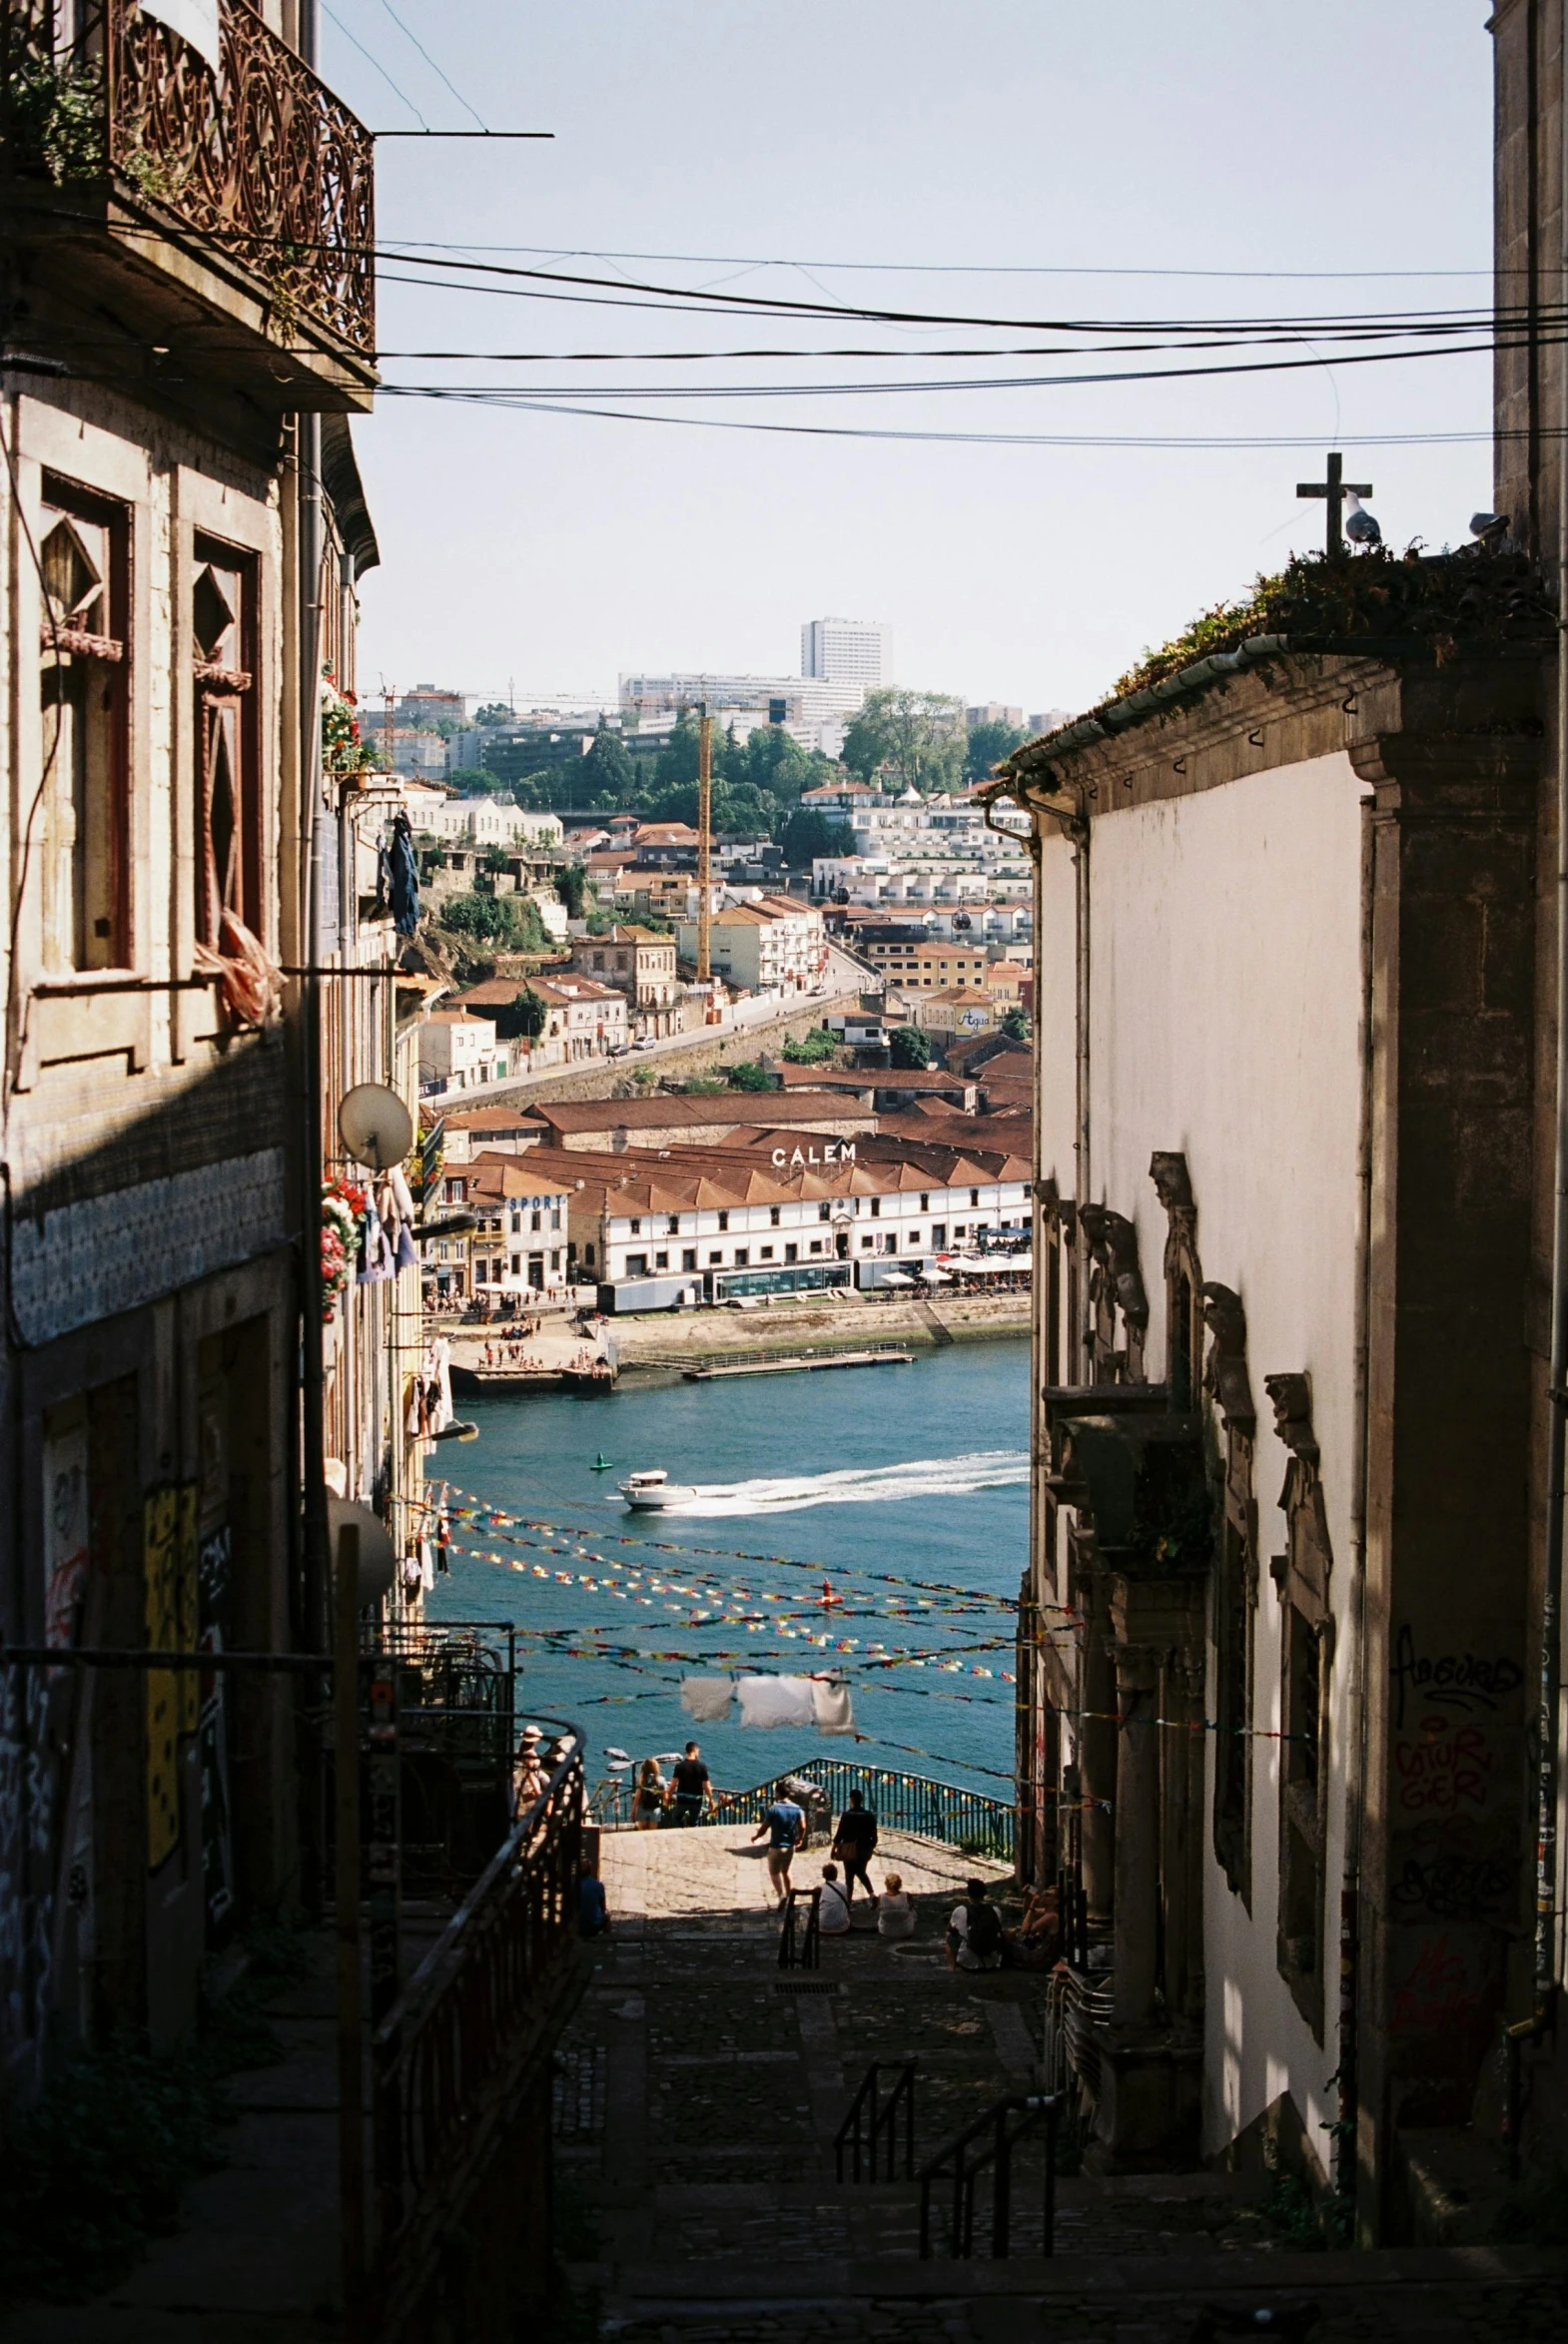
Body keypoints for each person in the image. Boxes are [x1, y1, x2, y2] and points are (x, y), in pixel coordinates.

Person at [752, 1782, 806, 1907]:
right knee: (786, 1871)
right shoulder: (797, 1809)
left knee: (774, 1872)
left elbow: (764, 1828)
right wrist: (800, 1839)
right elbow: (803, 1826)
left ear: (777, 1793)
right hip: (790, 1846)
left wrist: (756, 1836)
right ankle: (790, 1896)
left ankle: (781, 1895)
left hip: (776, 1846)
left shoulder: (773, 1809)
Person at [831, 1788, 879, 1909]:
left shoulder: (846, 1815)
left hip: (849, 1849)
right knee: (861, 1872)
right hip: (864, 1849)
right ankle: (872, 1895)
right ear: (861, 1800)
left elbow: (839, 1835)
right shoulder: (869, 1816)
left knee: (849, 1876)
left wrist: (834, 1849)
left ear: (851, 1800)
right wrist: (870, 1848)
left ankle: (848, 1903)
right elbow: (874, 1836)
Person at [946, 1878, 1004, 1972]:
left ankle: (952, 1966)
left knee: (949, 1935)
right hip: (991, 1963)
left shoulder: (960, 1910)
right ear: (984, 1893)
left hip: (967, 1963)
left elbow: (950, 1928)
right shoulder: (995, 1910)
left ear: (968, 1893)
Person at [670, 1740, 715, 1827]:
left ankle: (680, 1831)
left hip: (682, 1799)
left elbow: (673, 1785)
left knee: (676, 1817)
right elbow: (706, 1786)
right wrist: (711, 1800)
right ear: (694, 1750)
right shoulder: (702, 1766)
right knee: (693, 1822)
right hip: (696, 1800)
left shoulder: (679, 1766)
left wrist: (668, 1795)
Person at [877, 1872, 915, 1942]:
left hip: (886, 1931)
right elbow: (911, 1907)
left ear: (886, 1884)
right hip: (905, 1931)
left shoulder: (881, 1897)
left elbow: (878, 1909)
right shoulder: (907, 1895)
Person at [579, 1858, 610, 1939]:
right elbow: (603, 1907)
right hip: (594, 1924)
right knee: (607, 1914)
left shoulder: (574, 1885)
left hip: (578, 1925)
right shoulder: (598, 1885)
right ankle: (607, 1937)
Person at [817, 1862, 851, 1936]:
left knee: (804, 1909)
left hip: (823, 1928)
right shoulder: (844, 1887)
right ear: (836, 1874)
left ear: (823, 1875)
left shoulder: (819, 1888)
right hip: (842, 1927)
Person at [632, 1756, 665, 1830]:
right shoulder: (661, 1781)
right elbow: (664, 1795)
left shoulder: (642, 1782)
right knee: (652, 1834)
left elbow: (637, 1797)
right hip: (655, 1810)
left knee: (642, 1833)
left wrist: (633, 1811)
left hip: (642, 1809)